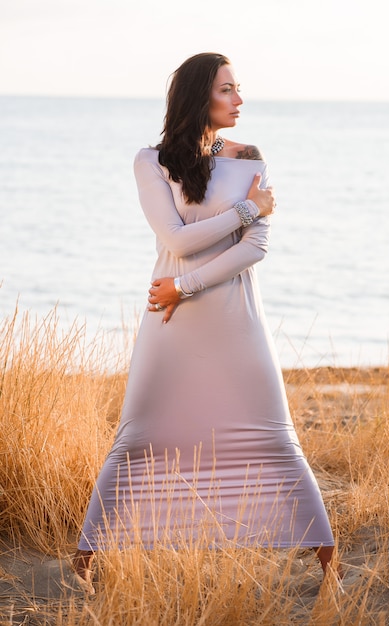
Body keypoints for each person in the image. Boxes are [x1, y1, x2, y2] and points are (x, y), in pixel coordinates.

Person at [73, 52, 336, 592]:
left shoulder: (250, 158)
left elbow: (255, 250)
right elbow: (176, 238)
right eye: (227, 90)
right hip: (170, 326)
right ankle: (85, 561)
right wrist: (246, 210)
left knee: (272, 439)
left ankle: (328, 567)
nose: (239, 100)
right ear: (199, 97)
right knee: (139, 438)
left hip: (233, 321)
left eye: (238, 90)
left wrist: (186, 285)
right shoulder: (152, 162)